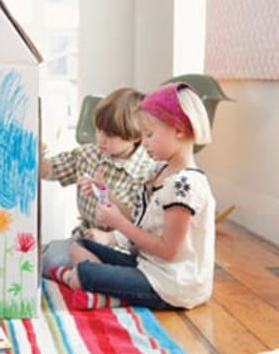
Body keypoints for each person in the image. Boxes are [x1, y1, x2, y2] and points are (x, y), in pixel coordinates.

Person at [52, 82, 216, 310]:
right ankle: (103, 286)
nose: (144, 142)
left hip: (172, 284)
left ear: (178, 130)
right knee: (79, 245)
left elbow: (168, 251)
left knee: (83, 272)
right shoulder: (159, 171)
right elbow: (140, 218)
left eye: (149, 134)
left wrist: (118, 223)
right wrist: (107, 194)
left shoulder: (185, 185)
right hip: (147, 265)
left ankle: (100, 290)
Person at [40, 88, 155, 277]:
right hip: (85, 238)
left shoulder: (147, 171)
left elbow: (142, 226)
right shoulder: (89, 154)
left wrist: (110, 236)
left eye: (110, 135)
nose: (101, 139)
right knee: (42, 256)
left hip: (124, 248)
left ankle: (88, 277)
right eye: (99, 130)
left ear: (136, 136)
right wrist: (36, 154)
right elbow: (52, 169)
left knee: (52, 261)